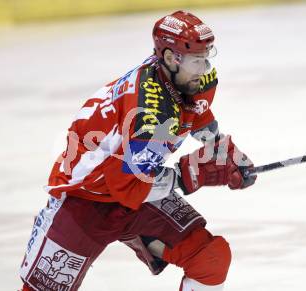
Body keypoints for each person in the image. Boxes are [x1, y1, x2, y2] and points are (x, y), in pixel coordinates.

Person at [19, 10, 257, 291]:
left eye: (207, 57)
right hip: (84, 201)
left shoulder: (187, 78)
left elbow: (198, 114)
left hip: (135, 184)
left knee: (210, 258)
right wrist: (190, 175)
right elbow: (126, 186)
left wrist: (222, 150)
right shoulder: (150, 114)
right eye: (197, 60)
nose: (205, 68)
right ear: (170, 58)